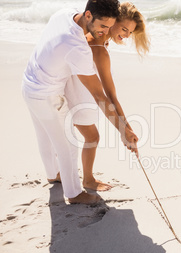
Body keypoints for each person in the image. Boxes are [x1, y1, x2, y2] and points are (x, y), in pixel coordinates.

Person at [22, 0, 139, 205]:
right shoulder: (77, 47)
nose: (106, 31)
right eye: (103, 26)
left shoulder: (66, 13)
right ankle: (75, 194)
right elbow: (100, 96)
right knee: (68, 146)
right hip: (46, 95)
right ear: (88, 16)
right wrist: (122, 129)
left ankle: (53, 174)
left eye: (109, 27)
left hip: (29, 84)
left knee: (45, 137)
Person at [65, 2, 150, 191]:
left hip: (78, 90)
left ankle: (60, 174)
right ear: (112, 22)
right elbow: (110, 95)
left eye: (130, 32)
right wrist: (125, 129)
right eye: (124, 29)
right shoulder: (99, 49)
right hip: (78, 94)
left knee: (86, 137)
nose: (127, 35)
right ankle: (87, 180)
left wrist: (126, 129)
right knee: (92, 137)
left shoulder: (97, 37)